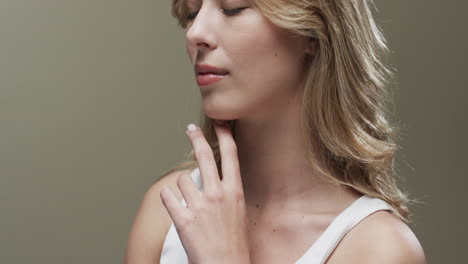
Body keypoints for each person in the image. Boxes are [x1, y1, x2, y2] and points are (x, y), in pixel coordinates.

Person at [125, 0, 427, 263]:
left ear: (313, 31)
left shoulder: (377, 250)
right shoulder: (169, 210)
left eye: (233, 8)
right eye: (192, 12)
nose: (195, 33)